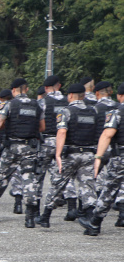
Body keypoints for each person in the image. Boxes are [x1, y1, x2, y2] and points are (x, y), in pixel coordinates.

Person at [0, 78, 44, 226]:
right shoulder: (37, 105)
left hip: (12, 148)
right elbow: (42, 127)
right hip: (30, 148)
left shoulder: (9, 104)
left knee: (1, 178)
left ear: (13, 91)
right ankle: (29, 218)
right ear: (27, 89)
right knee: (29, 180)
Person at [38, 82, 98, 227]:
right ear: (83, 96)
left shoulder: (66, 111)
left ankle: (45, 217)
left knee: (58, 183)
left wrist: (58, 154)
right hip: (88, 154)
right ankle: (91, 221)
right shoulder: (93, 111)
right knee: (88, 186)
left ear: (70, 95)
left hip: (70, 154)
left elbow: (62, 132)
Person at [80, 83, 124, 235]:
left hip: (121, 157)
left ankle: (94, 223)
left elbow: (107, 134)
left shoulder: (117, 112)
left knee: (109, 190)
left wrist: (98, 156)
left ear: (119, 95)